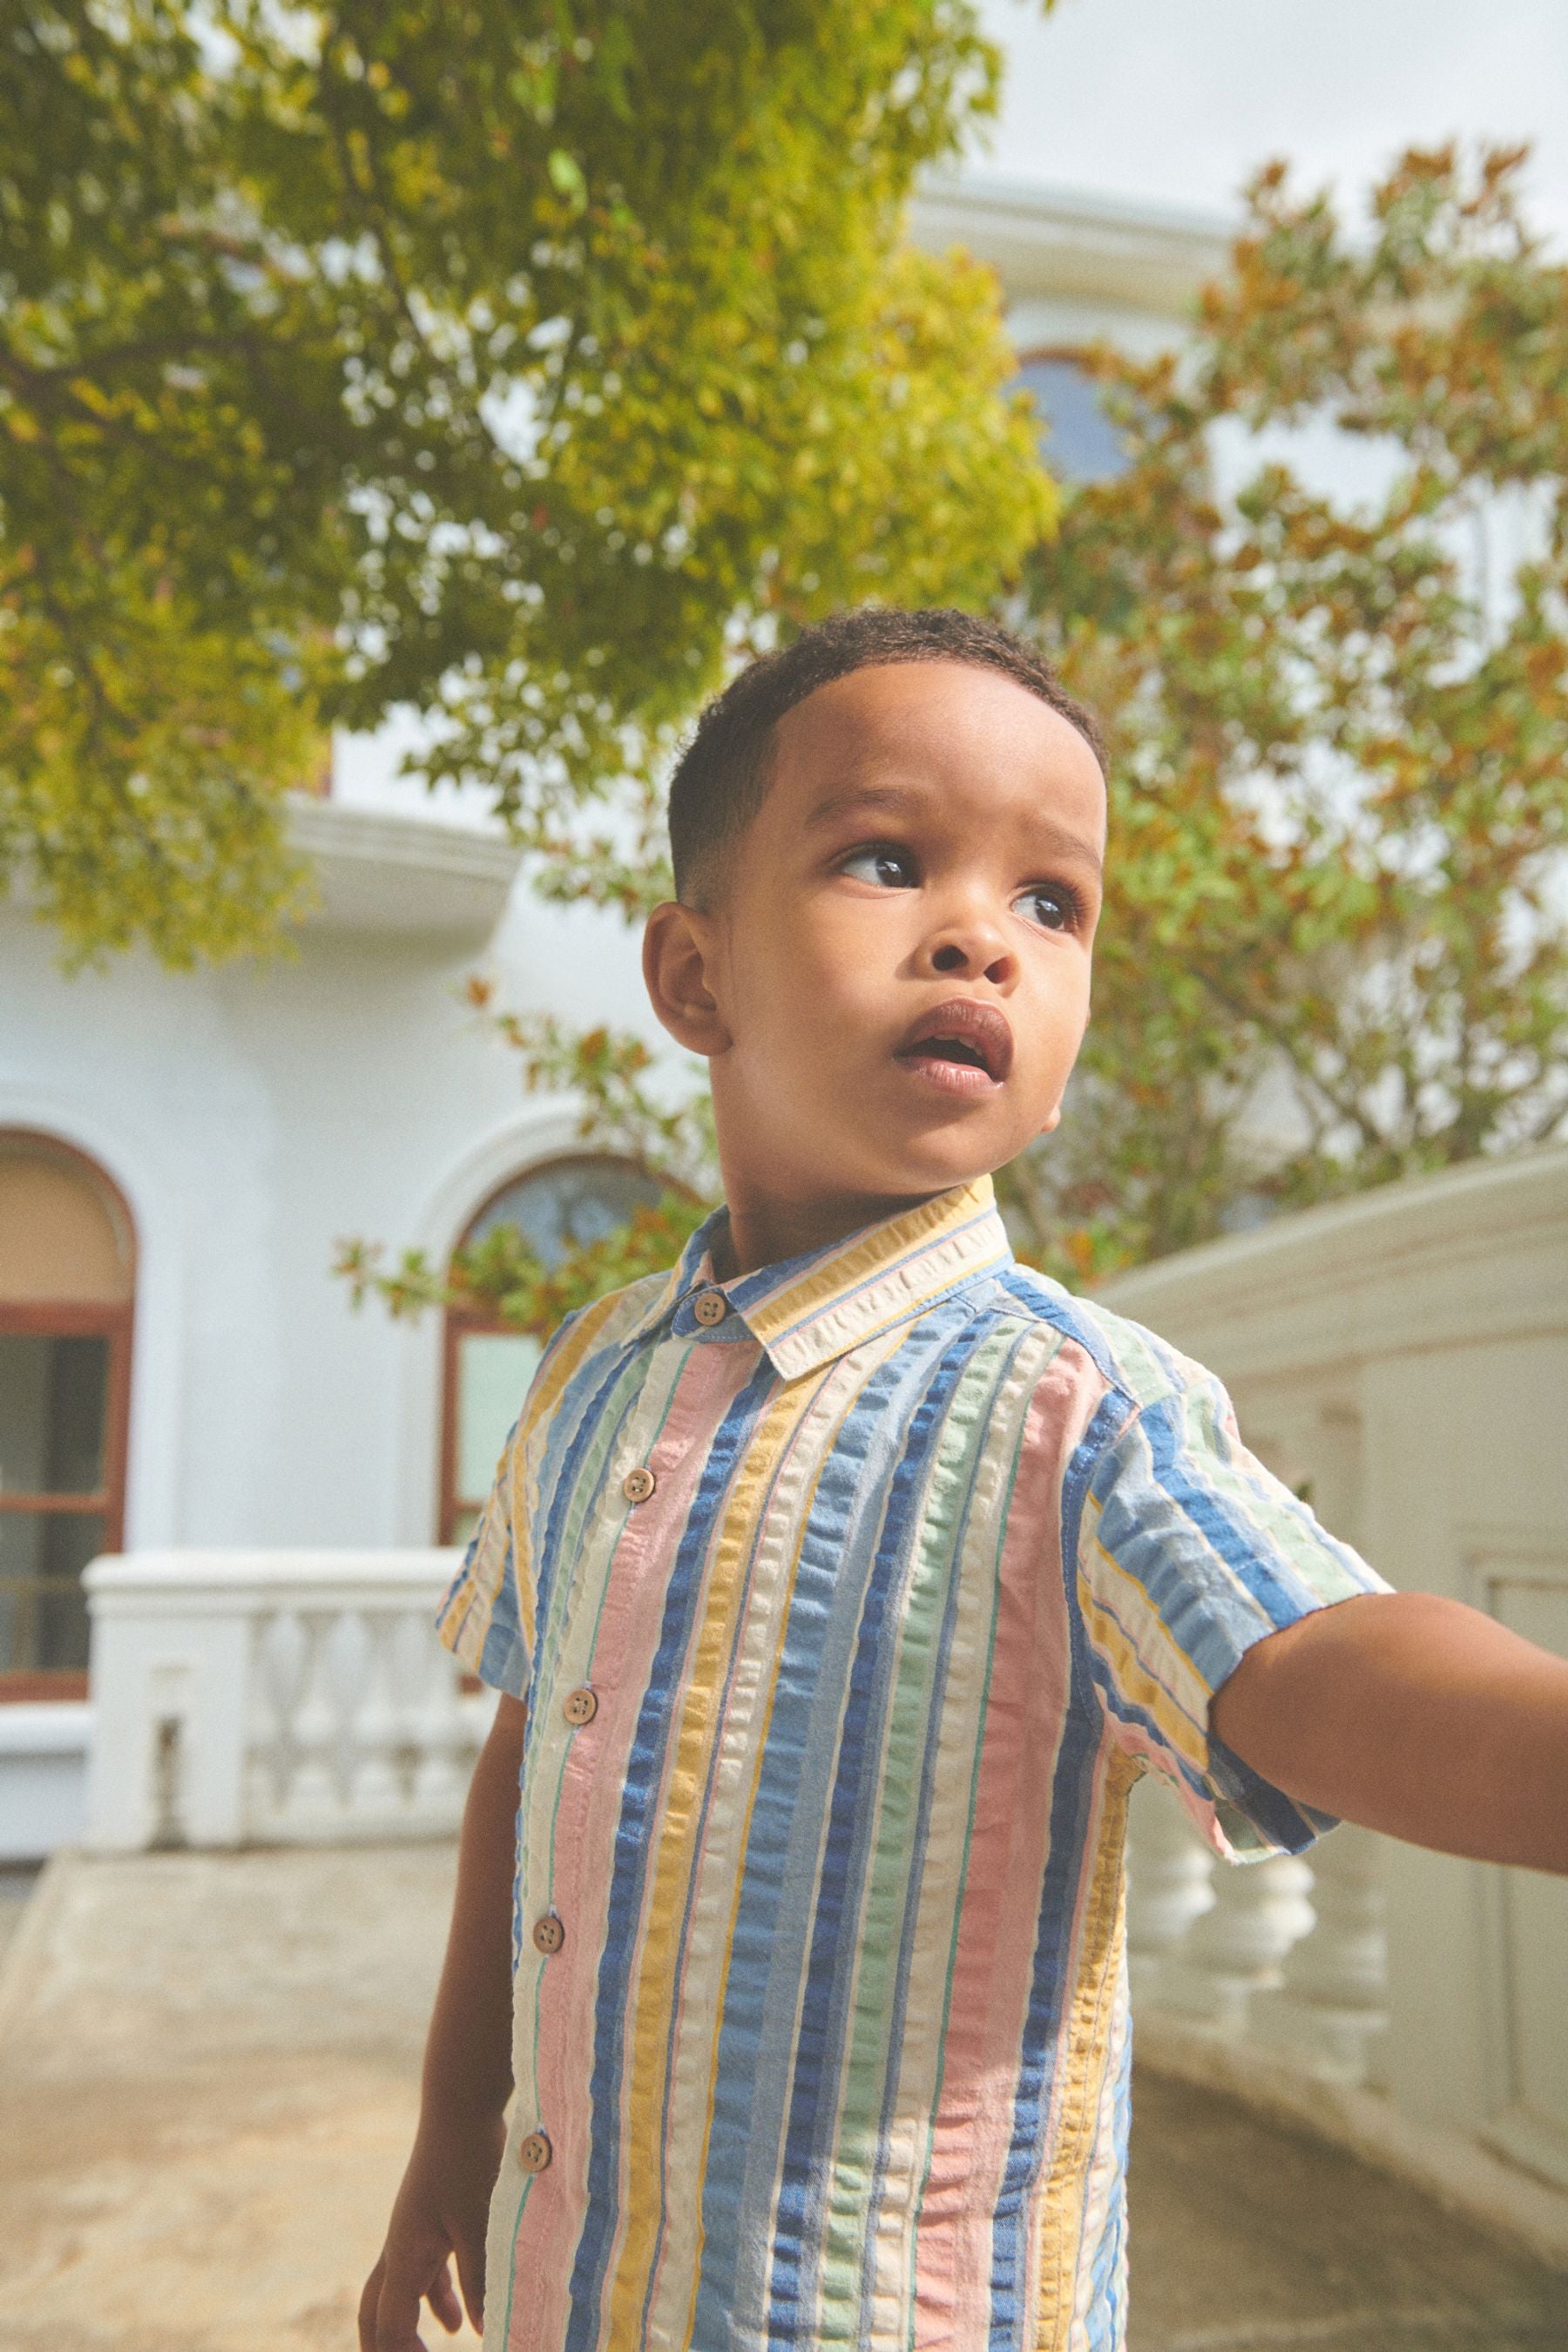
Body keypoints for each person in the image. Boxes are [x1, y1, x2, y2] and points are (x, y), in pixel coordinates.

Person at [361, 607, 1568, 2352]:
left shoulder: (1081, 1411)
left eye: (1050, 903)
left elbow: (1317, 1658)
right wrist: (442, 2147)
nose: (981, 941)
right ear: (695, 975)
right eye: (884, 857)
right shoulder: (592, 1376)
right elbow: (530, 1762)